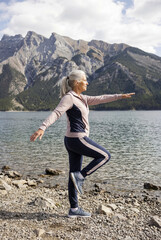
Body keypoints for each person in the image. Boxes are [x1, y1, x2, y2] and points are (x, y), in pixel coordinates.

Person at [30, 69, 135, 218]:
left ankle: (74, 209)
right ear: (77, 82)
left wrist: (120, 96)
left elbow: (101, 98)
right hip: (77, 139)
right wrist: (42, 127)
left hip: (72, 140)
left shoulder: (82, 98)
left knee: (73, 173)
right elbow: (56, 113)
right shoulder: (69, 98)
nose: (87, 82)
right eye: (85, 80)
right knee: (105, 156)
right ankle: (81, 176)